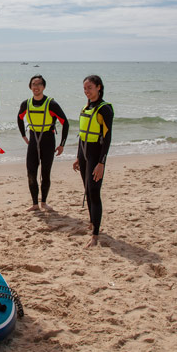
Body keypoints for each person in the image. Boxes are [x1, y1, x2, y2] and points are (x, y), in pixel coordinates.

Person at [72, 75, 114, 248]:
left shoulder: (105, 109)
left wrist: (101, 163)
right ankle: (92, 222)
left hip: (96, 156)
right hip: (84, 154)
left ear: (98, 87)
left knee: (94, 192)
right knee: (88, 190)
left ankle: (95, 235)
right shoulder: (86, 107)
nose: (86, 91)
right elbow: (82, 135)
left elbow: (107, 137)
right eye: (84, 89)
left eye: (89, 88)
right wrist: (77, 157)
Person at [16, 75, 69, 211]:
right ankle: (35, 204)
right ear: (30, 87)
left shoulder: (51, 104)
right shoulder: (26, 104)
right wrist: (23, 135)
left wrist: (62, 144)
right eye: (34, 84)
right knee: (31, 173)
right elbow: (19, 118)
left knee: (45, 173)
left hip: (48, 141)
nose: (36, 87)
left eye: (39, 84)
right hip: (33, 141)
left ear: (44, 87)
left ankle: (44, 202)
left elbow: (65, 122)